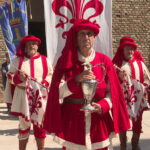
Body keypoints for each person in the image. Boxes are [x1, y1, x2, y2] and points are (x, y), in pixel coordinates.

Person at [43, 18, 130, 150]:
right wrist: (76, 80)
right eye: (81, 34)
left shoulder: (104, 61)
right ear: (76, 37)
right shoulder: (65, 60)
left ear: (94, 38)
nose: (86, 37)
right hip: (72, 121)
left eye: (89, 34)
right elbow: (56, 92)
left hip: (99, 121)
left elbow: (113, 92)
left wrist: (104, 104)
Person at [4, 35, 53, 150]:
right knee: (23, 126)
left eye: (34, 43)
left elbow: (51, 74)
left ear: (37, 46)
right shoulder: (17, 60)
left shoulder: (45, 60)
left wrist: (45, 82)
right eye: (29, 44)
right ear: (25, 46)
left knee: (40, 126)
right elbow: (9, 76)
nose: (32, 46)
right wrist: (18, 78)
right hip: (23, 97)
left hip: (39, 97)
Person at [113, 36, 150, 150]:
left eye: (132, 49)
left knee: (137, 123)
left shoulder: (140, 64)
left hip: (138, 100)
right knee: (122, 122)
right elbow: (110, 83)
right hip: (122, 99)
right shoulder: (116, 65)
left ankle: (135, 144)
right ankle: (123, 145)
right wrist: (119, 79)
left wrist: (144, 86)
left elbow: (147, 79)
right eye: (127, 49)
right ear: (122, 50)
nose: (130, 51)